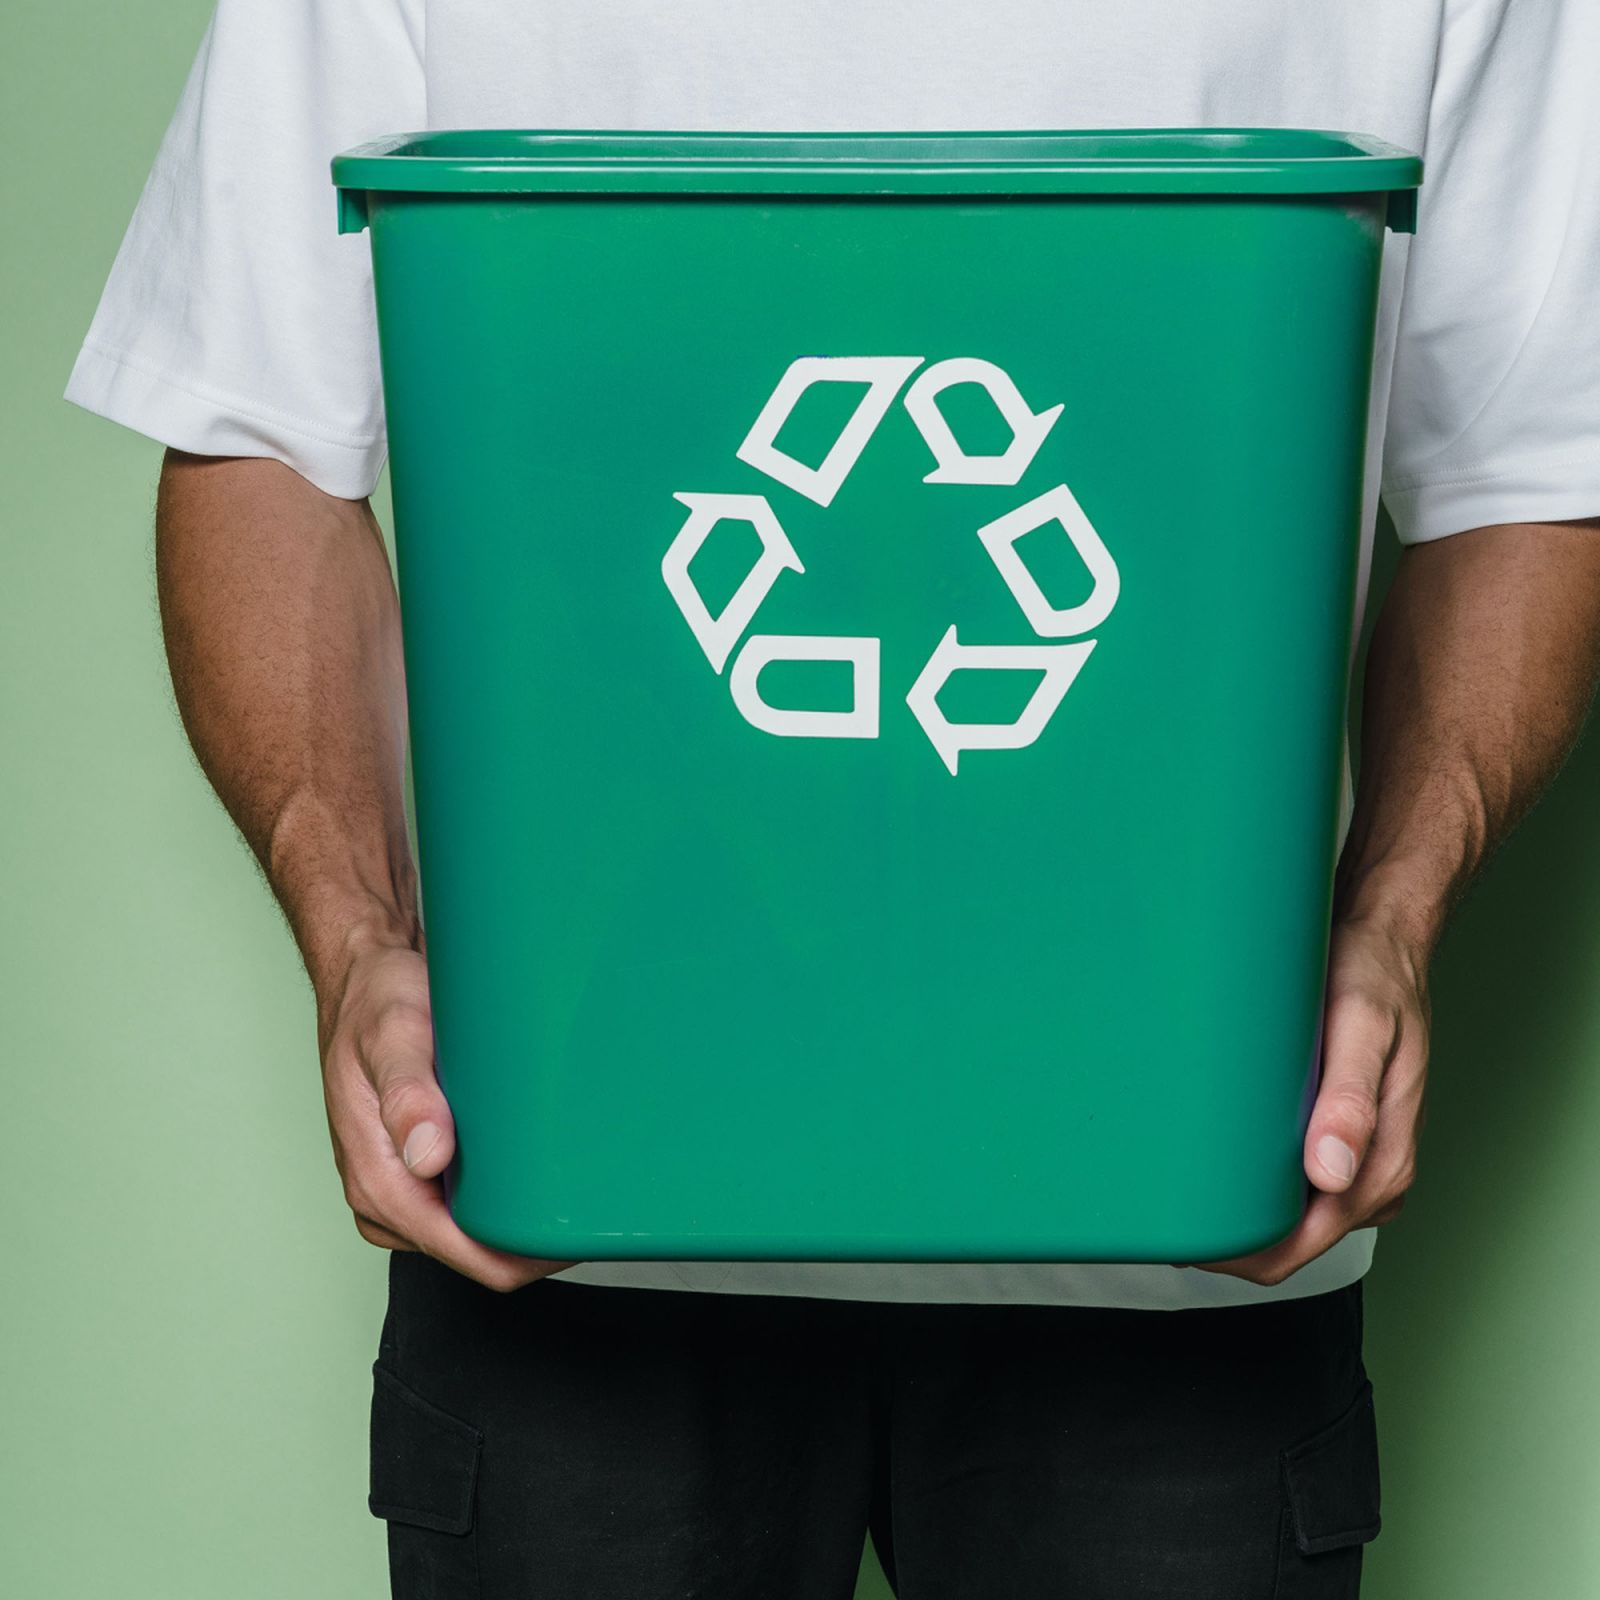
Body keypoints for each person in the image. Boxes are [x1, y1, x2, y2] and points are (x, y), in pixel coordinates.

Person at [67, 3, 1600, 1596]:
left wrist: (1393, 920)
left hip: (1185, 1246)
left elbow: (1525, 472)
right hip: (576, 1210)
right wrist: (354, 939)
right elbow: (256, 436)